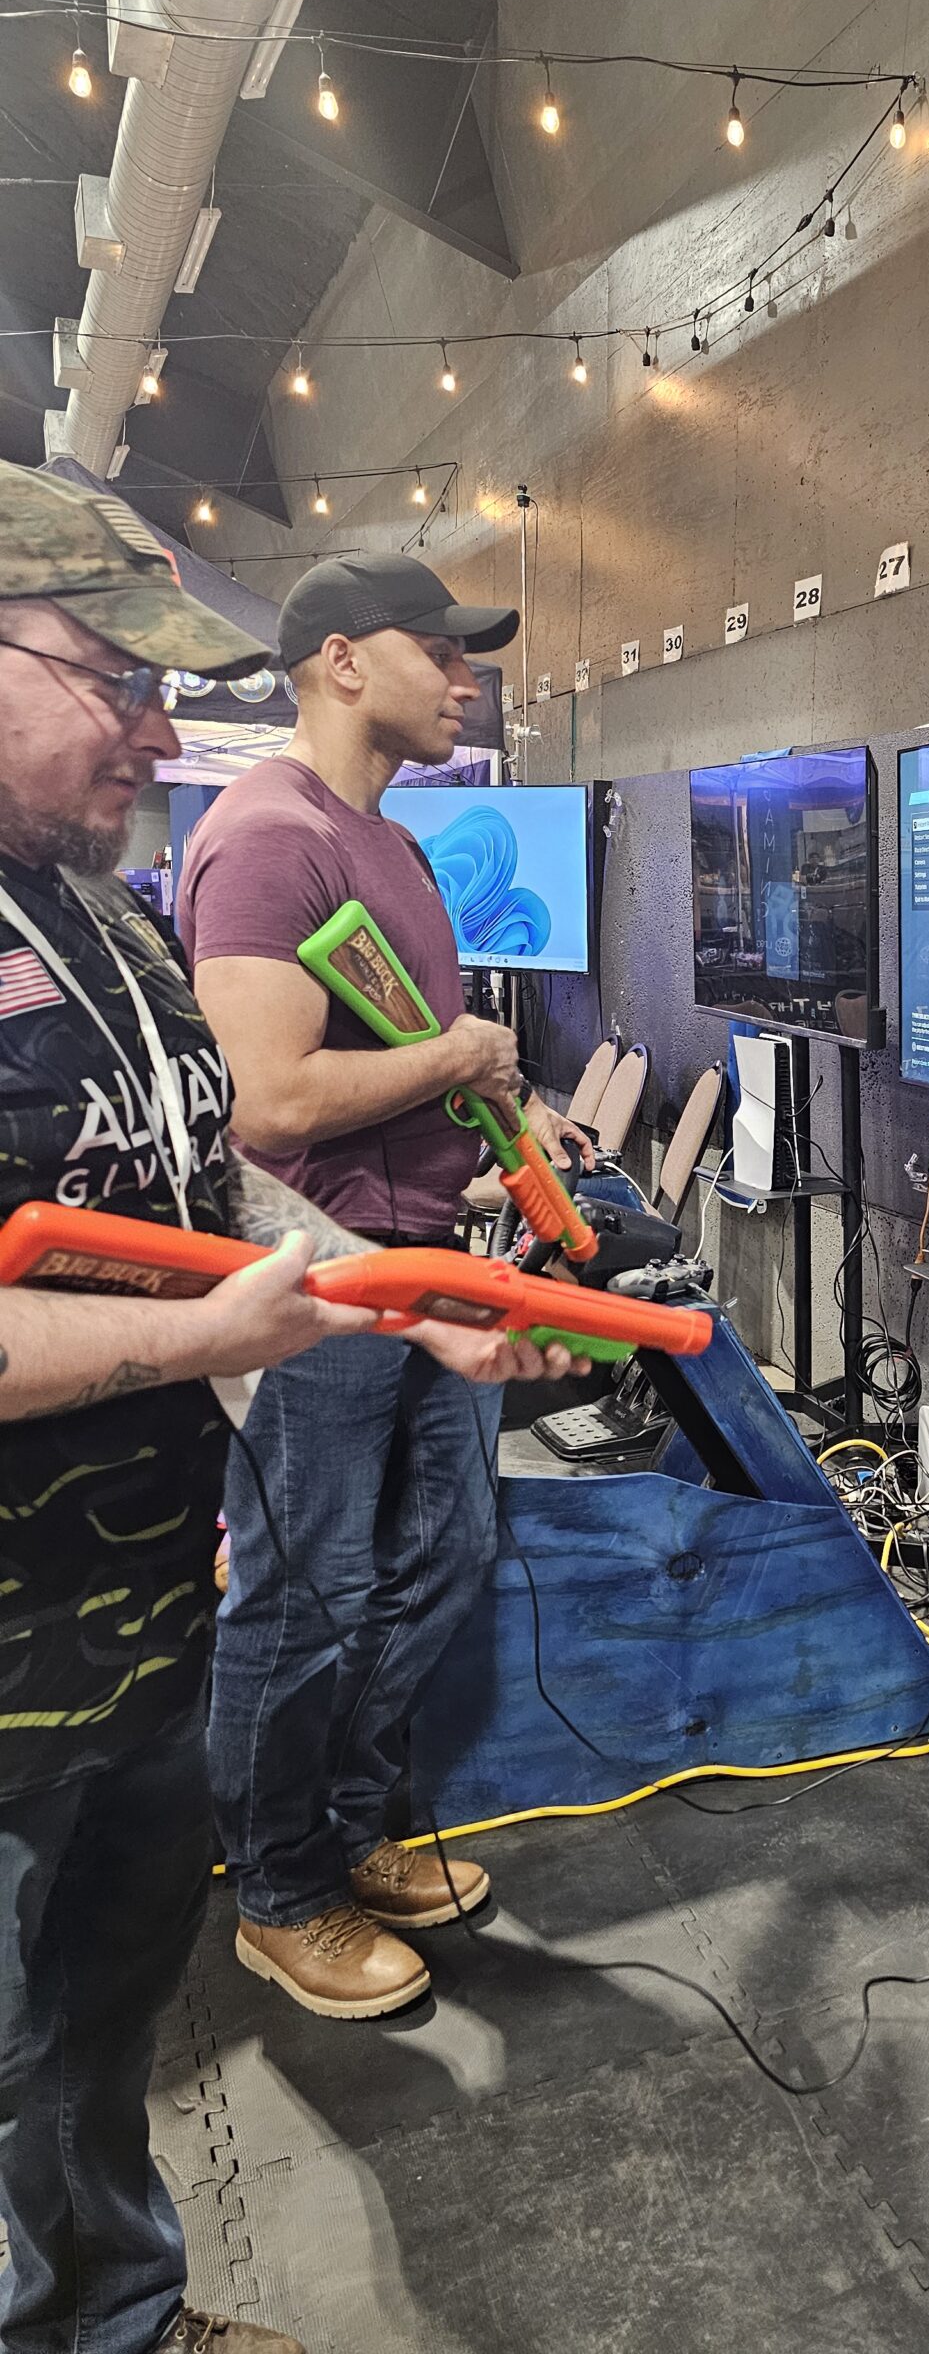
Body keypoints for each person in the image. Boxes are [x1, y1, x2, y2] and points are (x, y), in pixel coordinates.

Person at [0, 464, 578, 2354]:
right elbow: (264, 1133)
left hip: (126, 1625)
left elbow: (211, 1168)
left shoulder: (91, 920)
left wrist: (404, 1300)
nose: (166, 732)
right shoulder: (254, 848)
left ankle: (123, 2314)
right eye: (113, 680)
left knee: (85, 2040)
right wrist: (217, 1337)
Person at [176, 552, 593, 2021]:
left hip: (427, 1269)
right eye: (444, 651)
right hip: (319, 1287)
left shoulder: (393, 847)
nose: (469, 679)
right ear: (345, 661)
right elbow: (273, 1099)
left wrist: (501, 1130)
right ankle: (280, 1892)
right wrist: (464, 1054)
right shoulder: (265, 839)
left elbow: (394, 1073)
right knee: (306, 1594)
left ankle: (351, 1831)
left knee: (442, 1556)